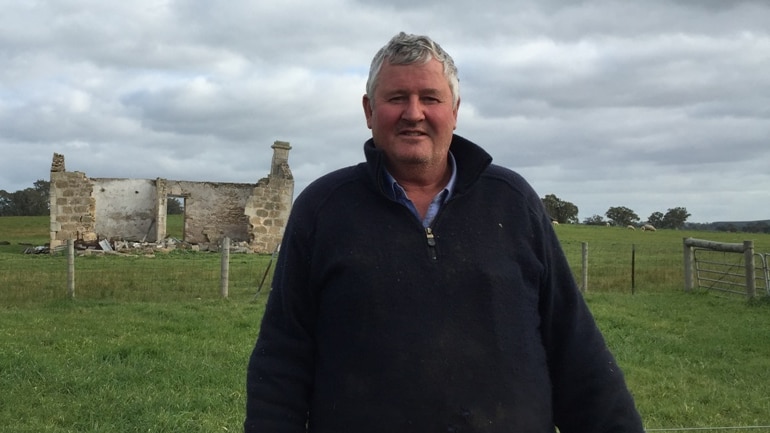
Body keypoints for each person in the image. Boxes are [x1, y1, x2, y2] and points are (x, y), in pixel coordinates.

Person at [244, 32, 644, 433]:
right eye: (396, 98)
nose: (413, 113)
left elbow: (575, 351)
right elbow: (282, 361)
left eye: (430, 98)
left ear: (454, 109)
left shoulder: (513, 202)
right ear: (369, 111)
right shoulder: (322, 209)